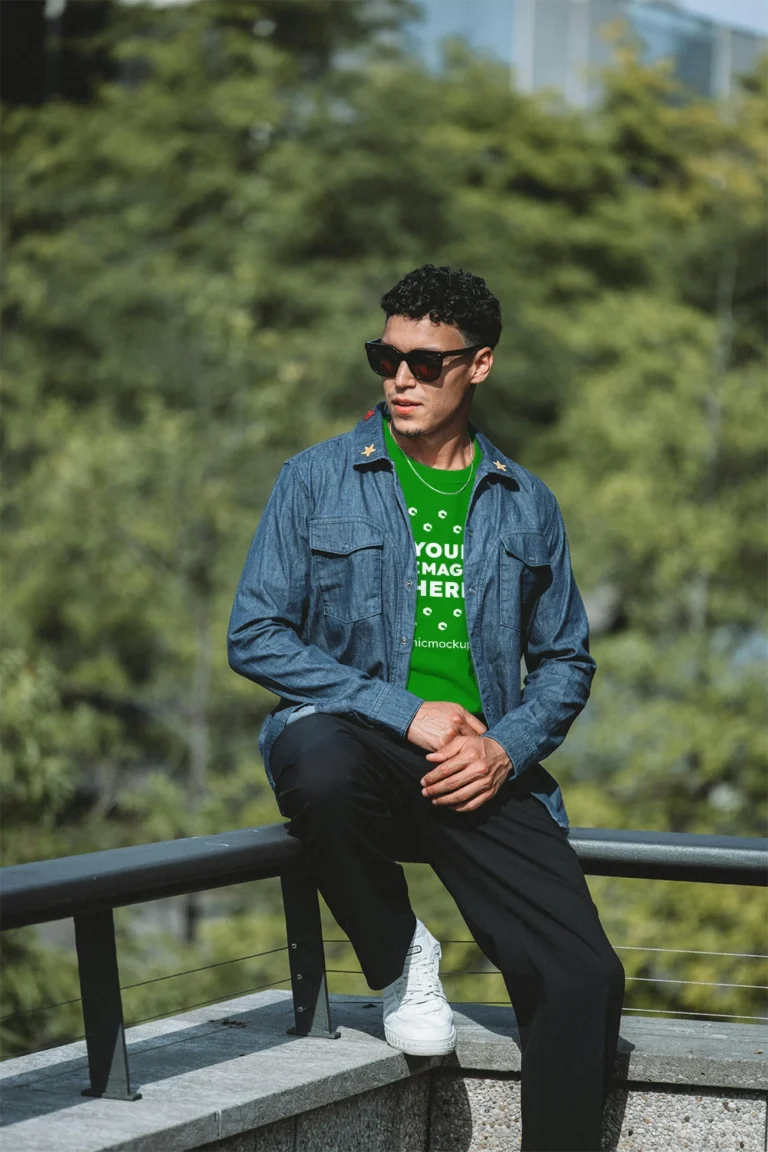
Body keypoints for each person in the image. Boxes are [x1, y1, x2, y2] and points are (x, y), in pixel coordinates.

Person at [227, 263, 624, 1151]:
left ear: (478, 366)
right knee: (315, 759)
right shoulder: (315, 479)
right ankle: (403, 955)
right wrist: (404, 711)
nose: (400, 378)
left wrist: (505, 749)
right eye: (385, 355)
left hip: (479, 769)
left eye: (425, 362)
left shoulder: (527, 504)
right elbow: (255, 635)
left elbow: (564, 660)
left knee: (585, 979)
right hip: (359, 745)